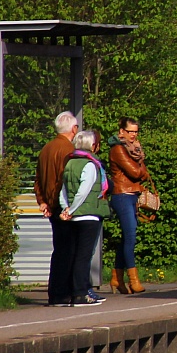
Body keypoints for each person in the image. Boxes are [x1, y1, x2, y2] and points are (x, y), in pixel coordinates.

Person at [59, 129, 111, 305]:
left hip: (73, 217)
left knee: (74, 254)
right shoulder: (90, 165)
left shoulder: (70, 163)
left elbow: (63, 190)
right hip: (88, 215)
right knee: (84, 255)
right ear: (91, 145)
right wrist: (72, 209)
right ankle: (81, 293)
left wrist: (65, 208)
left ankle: (72, 292)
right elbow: (84, 191)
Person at [35, 111, 78, 307]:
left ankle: (55, 292)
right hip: (64, 206)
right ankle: (62, 293)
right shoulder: (69, 149)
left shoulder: (46, 148)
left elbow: (38, 179)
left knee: (59, 249)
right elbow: (67, 180)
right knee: (68, 250)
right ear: (74, 129)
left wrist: (42, 201)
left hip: (51, 206)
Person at [107, 117, 150, 294]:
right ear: (122, 131)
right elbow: (135, 172)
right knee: (130, 236)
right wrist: (140, 169)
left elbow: (144, 174)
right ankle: (134, 280)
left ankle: (116, 278)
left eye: (135, 132)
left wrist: (140, 171)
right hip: (122, 195)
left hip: (133, 195)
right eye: (130, 131)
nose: (133, 135)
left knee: (127, 238)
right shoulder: (118, 149)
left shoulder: (133, 150)